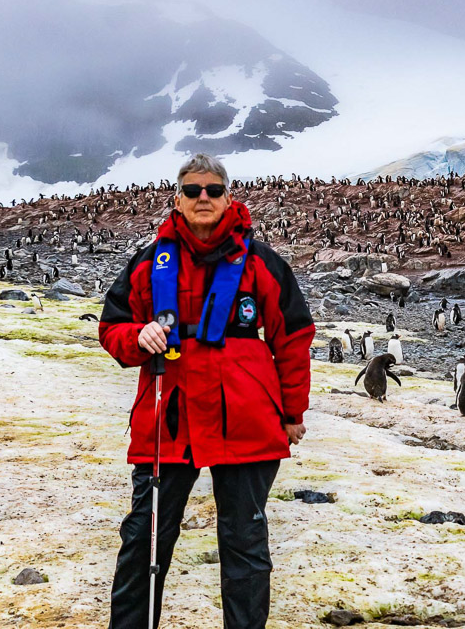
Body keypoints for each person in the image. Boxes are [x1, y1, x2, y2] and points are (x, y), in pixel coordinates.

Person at [99, 153, 315, 628]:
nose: (203, 198)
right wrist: (137, 337)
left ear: (227, 196)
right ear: (177, 198)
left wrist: (292, 411)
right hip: (168, 420)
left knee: (245, 542)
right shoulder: (148, 264)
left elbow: (293, 337)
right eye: (193, 190)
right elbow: (112, 327)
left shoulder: (260, 263)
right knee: (145, 539)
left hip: (246, 420)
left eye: (213, 190)